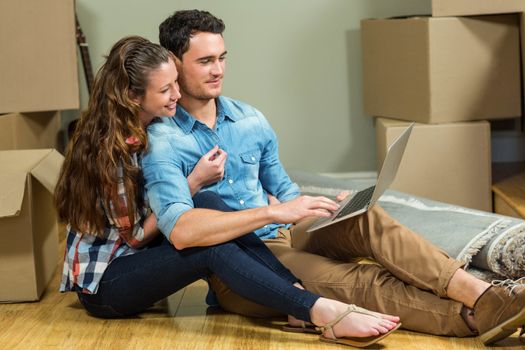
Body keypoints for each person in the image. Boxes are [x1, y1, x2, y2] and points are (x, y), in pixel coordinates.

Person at [142, 9, 525, 346]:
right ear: (174, 64)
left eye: (222, 58)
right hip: (244, 267)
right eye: (206, 60)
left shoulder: (248, 119)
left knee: (368, 219)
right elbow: (180, 230)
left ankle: (483, 292)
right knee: (356, 280)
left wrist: (323, 210)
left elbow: (284, 190)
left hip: (287, 233)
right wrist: (274, 213)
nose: (219, 70)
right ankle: (474, 318)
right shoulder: (164, 140)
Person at [54, 35, 402, 348]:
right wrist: (193, 185)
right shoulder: (110, 153)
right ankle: (316, 310)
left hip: (138, 256)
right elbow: (134, 239)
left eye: (175, 82)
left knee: (210, 203)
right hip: (107, 284)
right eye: (165, 91)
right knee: (207, 247)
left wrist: (197, 188)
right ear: (132, 96)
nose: (177, 94)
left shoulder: (148, 128)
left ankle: (294, 295)